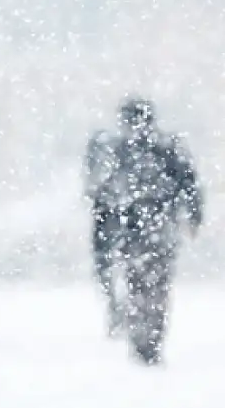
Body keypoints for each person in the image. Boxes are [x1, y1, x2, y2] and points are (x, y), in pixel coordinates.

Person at [90, 96, 203, 364]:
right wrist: (193, 214)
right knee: (153, 287)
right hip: (156, 229)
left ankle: (144, 338)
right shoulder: (163, 148)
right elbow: (189, 183)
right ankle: (149, 338)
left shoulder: (122, 151)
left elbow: (105, 194)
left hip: (139, 231)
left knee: (141, 285)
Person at [83, 128, 125, 336]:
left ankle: (118, 307)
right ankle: (120, 307)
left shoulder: (105, 145)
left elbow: (92, 185)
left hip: (108, 217)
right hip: (117, 218)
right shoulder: (116, 146)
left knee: (106, 267)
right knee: (111, 267)